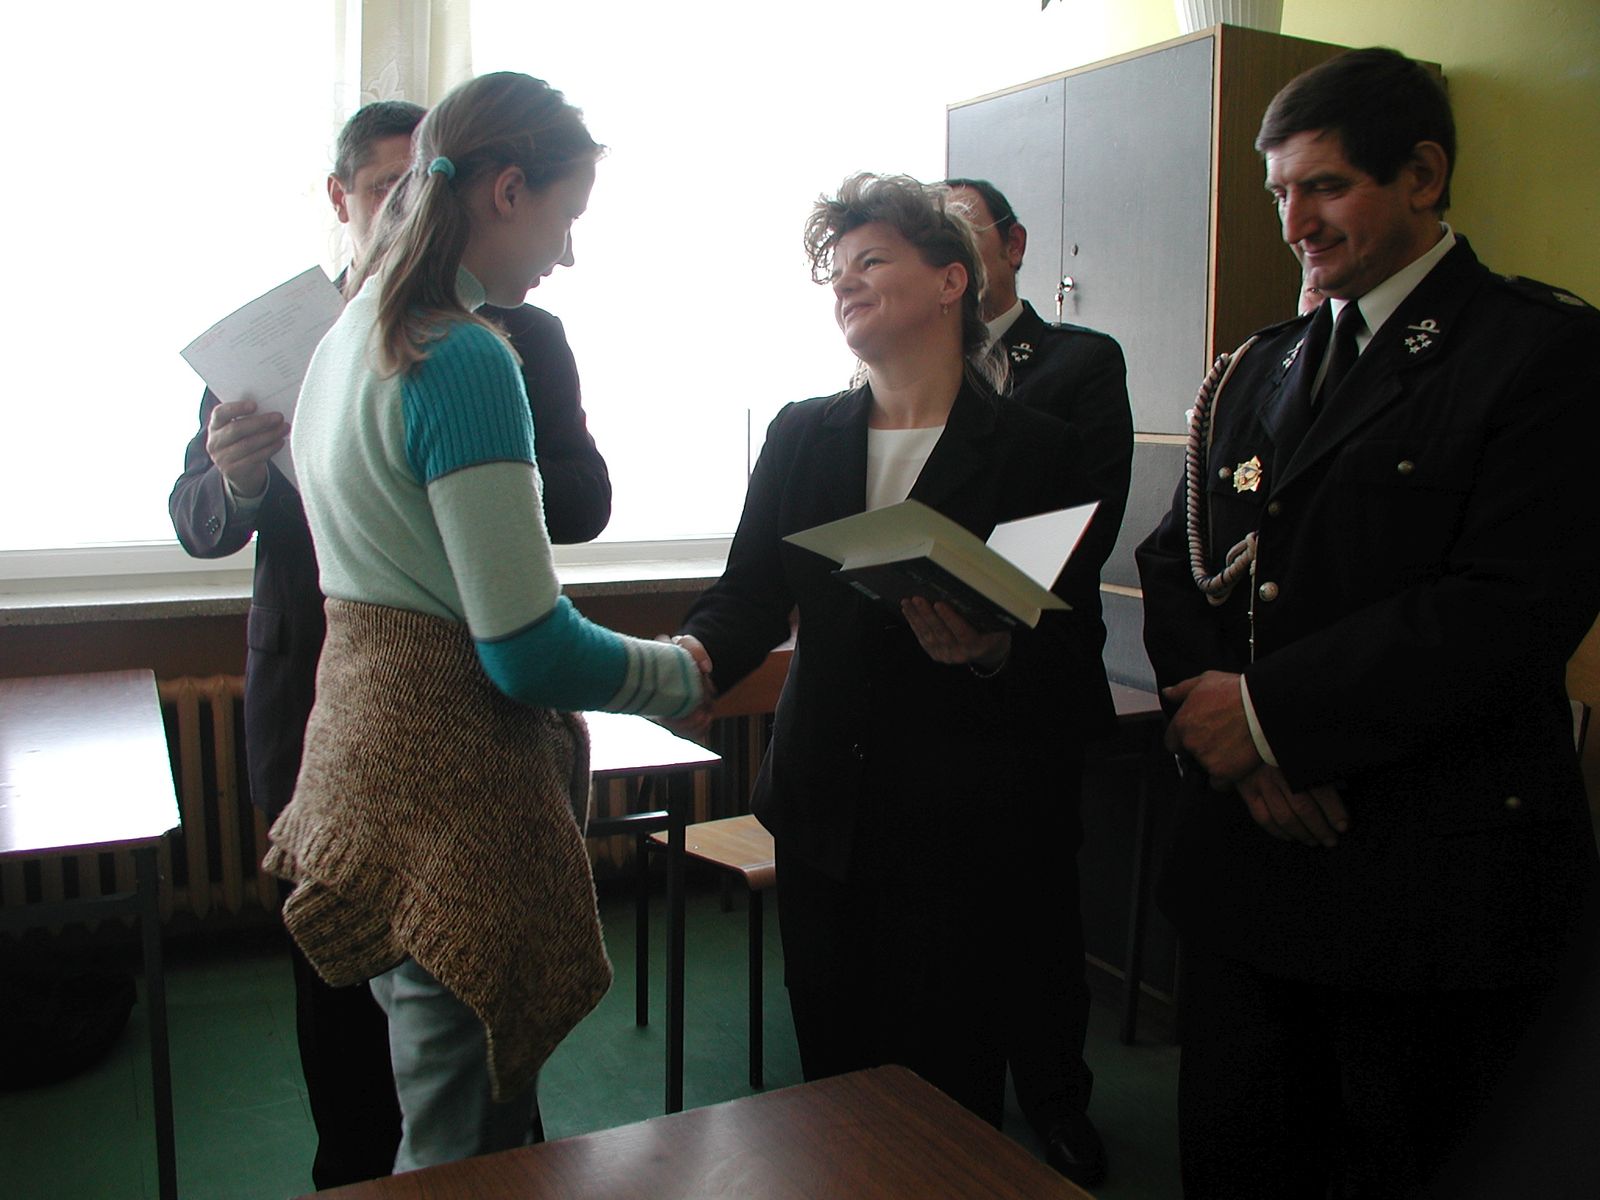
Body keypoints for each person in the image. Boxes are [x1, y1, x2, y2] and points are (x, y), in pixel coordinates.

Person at [1134, 47, 1600, 1198]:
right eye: (1279, 192)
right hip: (1250, 875)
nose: (1295, 222)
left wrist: (1268, 720)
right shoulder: (1259, 366)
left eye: (1326, 186)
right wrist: (1239, 747)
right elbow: (1178, 561)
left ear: (1423, 176)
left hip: (1426, 886)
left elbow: (1510, 606)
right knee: (1237, 1160)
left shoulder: (1540, 353)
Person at [259, 72, 708, 1173]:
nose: (567, 253)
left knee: (432, 1104)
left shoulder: (348, 335)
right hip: (444, 791)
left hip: (362, 767)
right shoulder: (456, 352)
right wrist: (680, 673)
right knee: (460, 1150)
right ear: (508, 190)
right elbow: (523, 646)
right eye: (565, 216)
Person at [170, 97, 613, 1186]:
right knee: (345, 1012)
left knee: (474, 1023)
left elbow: (584, 499)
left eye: (422, 177)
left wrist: (472, 470)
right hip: (320, 705)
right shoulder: (290, 340)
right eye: (384, 185)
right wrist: (237, 476)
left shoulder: (508, 336)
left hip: (474, 723)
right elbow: (198, 522)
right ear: (343, 197)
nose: (409, 201)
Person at [675, 173, 1110, 1135]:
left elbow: (1069, 638)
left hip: (963, 827)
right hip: (821, 810)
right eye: (837, 271)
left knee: (945, 1105)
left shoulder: (1035, 449)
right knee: (833, 1094)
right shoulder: (802, 435)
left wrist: (990, 650)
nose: (845, 283)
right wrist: (695, 658)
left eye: (872, 261)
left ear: (952, 282)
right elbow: (749, 592)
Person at [942, 177, 1131, 1187]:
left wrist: (964, 599)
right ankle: (943, 1095)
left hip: (1033, 675)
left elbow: (1084, 519)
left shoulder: (1078, 363)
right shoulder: (903, 369)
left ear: (1012, 246)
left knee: (1038, 906)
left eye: (963, 230)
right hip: (925, 684)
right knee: (943, 908)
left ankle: (1057, 1100)